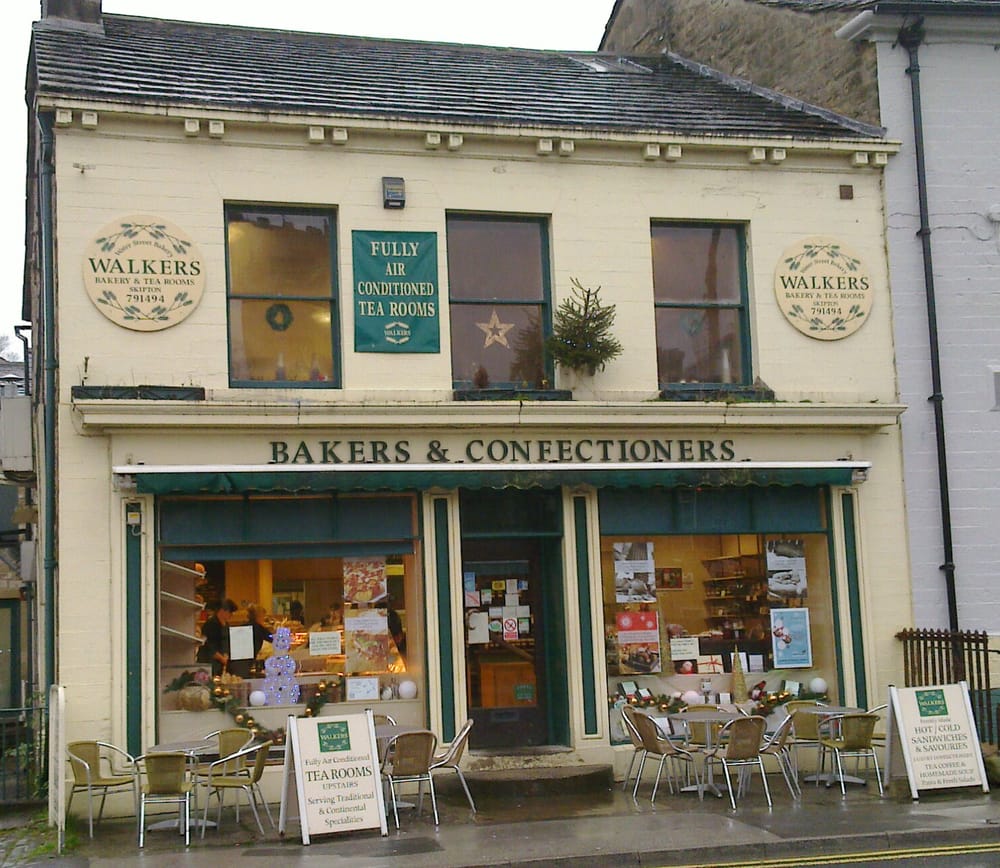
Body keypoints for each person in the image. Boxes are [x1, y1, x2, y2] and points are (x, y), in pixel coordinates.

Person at [196, 598, 237, 675]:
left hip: (221, 661)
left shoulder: (226, 625)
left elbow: (226, 642)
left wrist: (226, 654)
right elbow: (209, 645)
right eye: (230, 612)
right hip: (209, 661)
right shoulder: (211, 624)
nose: (231, 615)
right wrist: (221, 657)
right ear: (222, 611)